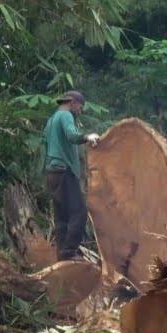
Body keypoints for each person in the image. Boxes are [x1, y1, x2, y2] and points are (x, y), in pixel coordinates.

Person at [43, 90, 100, 261]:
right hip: (64, 170)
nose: (80, 111)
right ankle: (69, 251)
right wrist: (87, 137)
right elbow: (72, 135)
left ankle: (62, 253)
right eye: (80, 107)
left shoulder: (51, 120)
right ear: (72, 103)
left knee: (61, 215)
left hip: (52, 172)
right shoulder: (65, 115)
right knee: (79, 212)